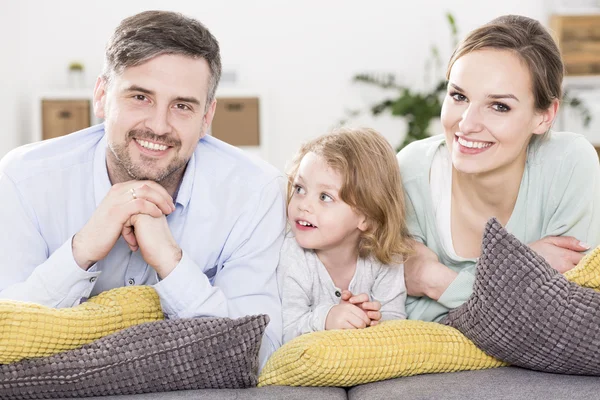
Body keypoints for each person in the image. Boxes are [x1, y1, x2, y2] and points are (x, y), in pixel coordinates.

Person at [0, 10, 286, 367]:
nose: (158, 125)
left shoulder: (255, 192)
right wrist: (82, 249)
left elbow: (261, 352)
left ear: (207, 118)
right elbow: (5, 332)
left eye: (182, 106)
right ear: (102, 96)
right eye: (140, 97)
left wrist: (173, 264)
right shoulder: (24, 179)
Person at [397, 14, 600, 323]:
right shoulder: (411, 173)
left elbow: (569, 313)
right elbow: (401, 315)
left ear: (544, 116)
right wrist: (524, 273)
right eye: (459, 96)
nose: (466, 124)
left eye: (499, 106)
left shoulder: (569, 164)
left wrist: (433, 279)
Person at [278, 128, 411, 344]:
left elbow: (396, 322)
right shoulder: (293, 256)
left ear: (366, 217)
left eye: (324, 197)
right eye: (300, 188)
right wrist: (327, 318)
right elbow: (286, 333)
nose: (304, 205)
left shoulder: (385, 259)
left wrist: (371, 320)